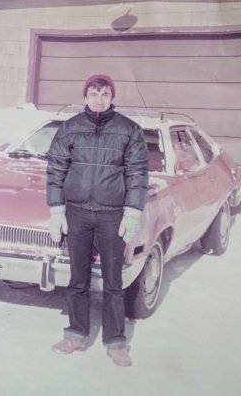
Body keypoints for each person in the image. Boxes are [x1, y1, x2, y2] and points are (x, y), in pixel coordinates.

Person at [46, 74, 149, 367]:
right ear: (86, 96)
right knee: (78, 278)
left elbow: (138, 172)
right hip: (76, 213)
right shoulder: (69, 128)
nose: (99, 99)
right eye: (94, 93)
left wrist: (133, 210)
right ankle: (75, 334)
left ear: (112, 96)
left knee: (113, 282)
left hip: (112, 215)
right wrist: (56, 209)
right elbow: (55, 169)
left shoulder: (129, 130)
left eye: (104, 93)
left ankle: (116, 342)